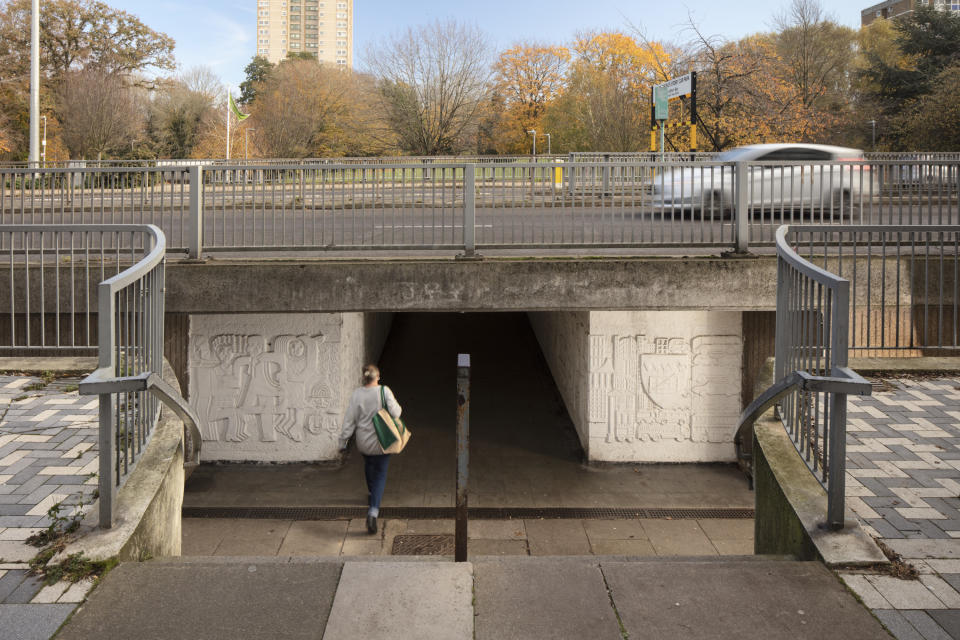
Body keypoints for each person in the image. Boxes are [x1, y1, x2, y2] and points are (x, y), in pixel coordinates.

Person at [339, 363, 402, 534]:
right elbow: (396, 413)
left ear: (364, 377)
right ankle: (373, 512)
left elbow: (349, 421)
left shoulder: (357, 394)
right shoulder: (384, 391)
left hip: (364, 442)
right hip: (383, 441)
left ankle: (371, 492)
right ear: (377, 377)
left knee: (369, 466)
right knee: (380, 474)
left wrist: (343, 442)